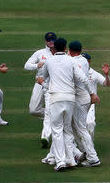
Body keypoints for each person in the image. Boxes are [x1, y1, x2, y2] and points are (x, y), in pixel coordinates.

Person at [39, 38, 99, 171]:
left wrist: (43, 84)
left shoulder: (51, 61)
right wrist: (92, 93)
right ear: (65, 48)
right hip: (72, 98)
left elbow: (45, 78)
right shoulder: (75, 60)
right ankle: (70, 159)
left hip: (62, 98)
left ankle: (62, 161)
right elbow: (83, 77)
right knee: (68, 129)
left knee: (59, 130)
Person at [68, 41, 101, 167]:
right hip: (83, 98)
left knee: (81, 128)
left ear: (69, 51)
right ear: (81, 50)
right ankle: (85, 153)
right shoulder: (83, 61)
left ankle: (93, 158)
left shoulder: (72, 62)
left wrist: (92, 93)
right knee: (75, 127)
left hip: (80, 98)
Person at [24, 32, 57, 147]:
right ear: (45, 41)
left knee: (48, 111)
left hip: (53, 85)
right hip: (39, 83)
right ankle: (54, 116)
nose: (51, 41)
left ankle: (45, 137)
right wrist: (37, 65)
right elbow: (26, 65)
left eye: (53, 39)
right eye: (49, 40)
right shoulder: (40, 53)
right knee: (33, 110)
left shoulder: (60, 53)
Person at [81, 53, 110, 138]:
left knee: (90, 124)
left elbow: (106, 84)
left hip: (90, 103)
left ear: (89, 61)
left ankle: (89, 149)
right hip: (77, 101)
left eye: (84, 60)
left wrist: (107, 75)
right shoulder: (75, 70)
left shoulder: (93, 73)